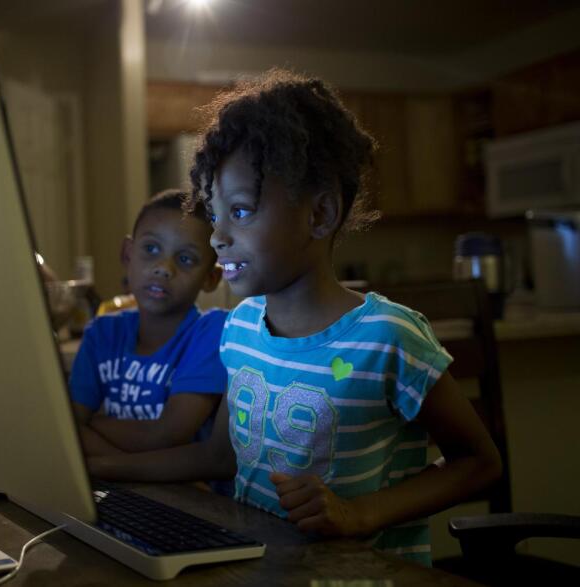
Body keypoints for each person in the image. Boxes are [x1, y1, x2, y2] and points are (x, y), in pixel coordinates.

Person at [87, 70, 503, 566]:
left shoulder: (387, 337)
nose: (217, 236)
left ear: (319, 215)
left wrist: (358, 514)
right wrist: (96, 467)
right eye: (215, 215)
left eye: (240, 212)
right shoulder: (238, 330)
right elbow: (219, 457)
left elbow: (479, 464)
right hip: (260, 570)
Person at [70, 189, 227, 457]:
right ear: (128, 254)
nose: (164, 268)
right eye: (151, 249)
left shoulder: (211, 333)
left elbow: (166, 435)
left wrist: (94, 427)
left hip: (186, 494)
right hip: (122, 485)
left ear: (210, 278)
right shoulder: (103, 333)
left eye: (185, 259)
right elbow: (69, 428)